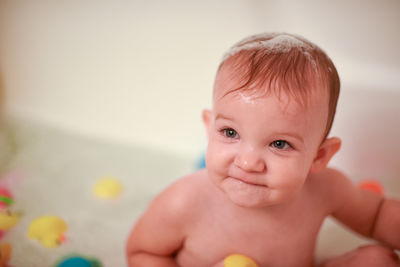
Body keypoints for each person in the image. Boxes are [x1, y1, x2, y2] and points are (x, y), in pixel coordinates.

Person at [126, 32, 400, 267]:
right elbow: (142, 252)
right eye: (230, 133)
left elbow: (377, 217)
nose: (247, 163)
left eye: (279, 144)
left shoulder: (325, 189)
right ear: (210, 128)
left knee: (377, 260)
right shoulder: (184, 201)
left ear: (319, 156)